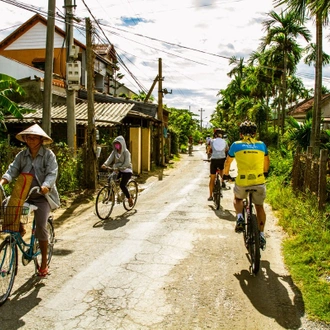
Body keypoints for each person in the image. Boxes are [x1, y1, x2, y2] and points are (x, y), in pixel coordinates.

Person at [0, 123, 60, 277]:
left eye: (34, 138)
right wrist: (4, 180)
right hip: (24, 195)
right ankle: (19, 227)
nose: (31, 140)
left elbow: (52, 173)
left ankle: (44, 263)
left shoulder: (48, 155)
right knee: (6, 204)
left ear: (40, 140)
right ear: (25, 139)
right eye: (29, 137)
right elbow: (12, 170)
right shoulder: (21, 155)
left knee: (41, 226)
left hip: (42, 197)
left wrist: (46, 185)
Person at [223, 120, 270, 249]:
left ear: (240, 134)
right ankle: (261, 234)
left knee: (238, 198)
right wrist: (265, 173)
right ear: (255, 133)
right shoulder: (262, 145)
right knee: (259, 206)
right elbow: (266, 162)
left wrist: (226, 174)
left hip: (243, 181)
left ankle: (239, 217)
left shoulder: (236, 145)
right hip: (259, 181)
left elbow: (228, 162)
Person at [101, 135, 133, 207]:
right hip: (118, 170)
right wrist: (105, 164)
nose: (117, 146)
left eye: (118, 144)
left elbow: (127, 162)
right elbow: (110, 158)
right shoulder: (114, 152)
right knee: (110, 179)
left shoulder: (126, 152)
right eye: (115, 144)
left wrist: (121, 167)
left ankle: (129, 198)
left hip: (127, 170)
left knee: (122, 185)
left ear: (122, 144)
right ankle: (111, 196)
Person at [207, 128, 229, 201]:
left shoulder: (212, 141)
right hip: (222, 159)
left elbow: (209, 150)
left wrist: (210, 152)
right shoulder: (225, 142)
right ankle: (222, 181)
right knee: (222, 169)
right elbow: (226, 150)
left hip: (214, 160)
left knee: (212, 178)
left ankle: (210, 196)